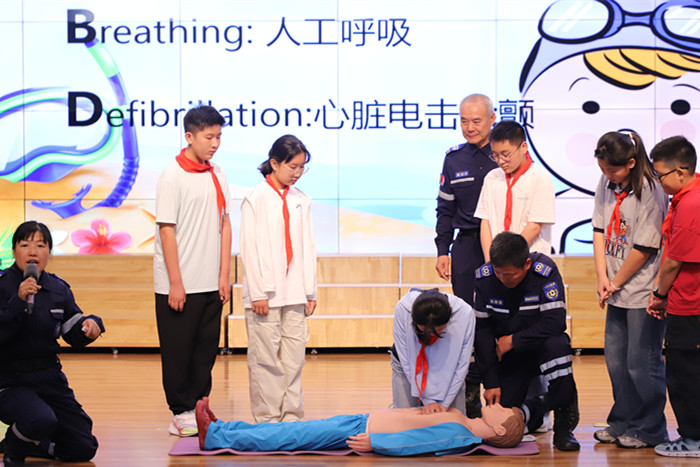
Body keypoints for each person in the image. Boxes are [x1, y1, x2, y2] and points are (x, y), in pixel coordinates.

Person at [153, 105, 232, 436]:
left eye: (219, 137)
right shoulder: (172, 176)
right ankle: (180, 412)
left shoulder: (217, 173)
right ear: (189, 136)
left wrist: (224, 275)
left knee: (204, 353)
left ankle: (199, 407)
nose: (215, 143)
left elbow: (225, 223)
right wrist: (175, 282)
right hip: (179, 284)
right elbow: (166, 230)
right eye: (209, 137)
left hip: (211, 282)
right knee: (178, 353)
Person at [0, 221, 104, 465]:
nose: (33, 251)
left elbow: (73, 331)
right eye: (25, 245)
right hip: (9, 379)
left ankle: (34, 442)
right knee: (40, 419)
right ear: (14, 251)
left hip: (49, 377)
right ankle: (13, 450)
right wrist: (18, 300)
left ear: (49, 252)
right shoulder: (2, 286)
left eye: (40, 245)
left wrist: (90, 326)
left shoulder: (58, 288)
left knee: (83, 447)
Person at [591, 131, 668, 449]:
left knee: (642, 361)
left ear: (632, 163)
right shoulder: (606, 181)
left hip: (642, 290)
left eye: (612, 170)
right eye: (603, 169)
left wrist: (615, 282)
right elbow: (598, 228)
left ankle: (650, 428)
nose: (607, 175)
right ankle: (622, 421)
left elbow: (646, 247)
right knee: (616, 360)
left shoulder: (651, 189)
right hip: (615, 288)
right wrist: (602, 277)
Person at [473, 231, 580, 451]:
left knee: (559, 345)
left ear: (527, 264)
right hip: (511, 357)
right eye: (498, 272)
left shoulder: (545, 271)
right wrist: (491, 382)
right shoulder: (484, 278)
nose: (503, 279)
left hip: (542, 346)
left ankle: (563, 427)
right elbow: (482, 333)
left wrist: (514, 340)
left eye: (509, 274)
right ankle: (536, 409)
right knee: (506, 421)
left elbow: (555, 322)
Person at [240, 134, 317, 423]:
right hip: (265, 294)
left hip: (295, 291)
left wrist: (310, 292)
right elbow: (249, 247)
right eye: (292, 167)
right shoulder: (256, 197)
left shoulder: (301, 200)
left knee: (294, 358)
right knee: (265, 359)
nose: (297, 173)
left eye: (302, 167)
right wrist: (257, 292)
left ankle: (291, 417)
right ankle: (267, 418)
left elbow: (308, 247)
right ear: (274, 163)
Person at [435, 93, 498, 417]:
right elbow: (444, 209)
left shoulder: (505, 153)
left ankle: (507, 391)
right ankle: (469, 393)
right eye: (463, 120)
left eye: (476, 120)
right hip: (466, 248)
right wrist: (442, 250)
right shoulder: (454, 159)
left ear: (492, 119)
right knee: (467, 321)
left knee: (502, 320)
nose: (469, 127)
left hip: (502, 247)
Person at [195, 396, 524, 455]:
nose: (499, 405)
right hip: (360, 421)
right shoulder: (462, 421)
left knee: (293, 434)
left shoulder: (462, 435)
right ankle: (225, 428)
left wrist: (376, 444)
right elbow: (418, 424)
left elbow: (417, 443)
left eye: (503, 412)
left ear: (498, 431)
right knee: (293, 429)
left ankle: (216, 436)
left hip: (359, 432)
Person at [647, 136, 700, 458]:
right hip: (689, 300)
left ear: (681, 172)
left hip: (689, 303)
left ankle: (693, 438)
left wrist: (658, 294)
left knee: (683, 374)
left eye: (661, 175)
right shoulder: (688, 196)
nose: (659, 181)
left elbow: (674, 261)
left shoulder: (691, 204)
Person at [474, 120, 555, 261]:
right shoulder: (492, 177)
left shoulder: (539, 177)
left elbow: (535, 226)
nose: (500, 161)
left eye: (506, 154)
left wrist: (507, 258)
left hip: (530, 260)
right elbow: (485, 222)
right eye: (495, 155)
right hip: (497, 263)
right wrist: (490, 261)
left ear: (523, 147)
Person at [391, 288, 475, 415]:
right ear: (412, 312)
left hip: (451, 370)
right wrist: (428, 401)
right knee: (405, 418)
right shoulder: (403, 308)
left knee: (453, 419)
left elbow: (462, 365)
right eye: (425, 330)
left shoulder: (465, 313)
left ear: (451, 313)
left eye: (439, 329)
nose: (431, 335)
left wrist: (444, 404)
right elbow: (407, 361)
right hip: (408, 368)